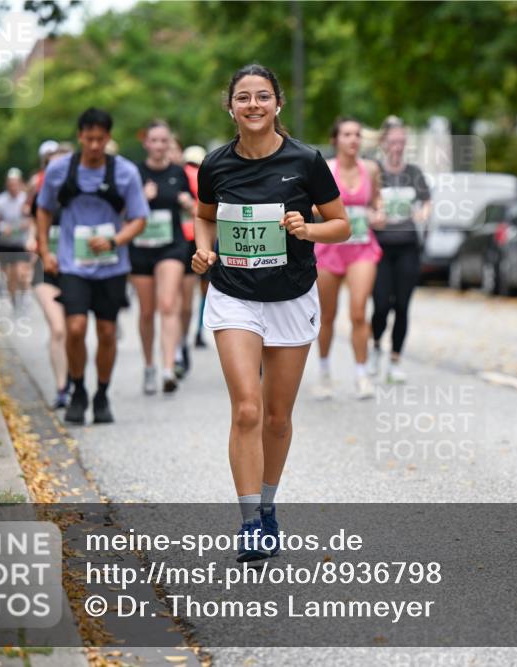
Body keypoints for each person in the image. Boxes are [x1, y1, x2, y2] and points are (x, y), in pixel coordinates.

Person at [192, 64, 349, 561]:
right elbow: (204, 215)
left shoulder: (305, 161)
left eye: (263, 96)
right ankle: (249, 523)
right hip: (233, 293)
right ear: (231, 107)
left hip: (292, 296)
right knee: (247, 409)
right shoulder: (215, 165)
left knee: (277, 417)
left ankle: (268, 506)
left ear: (277, 104)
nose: (253, 105)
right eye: (243, 97)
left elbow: (341, 225)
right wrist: (203, 250)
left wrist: (307, 229)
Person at [36, 107, 149, 425]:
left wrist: (115, 240)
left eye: (101, 139)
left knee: (107, 332)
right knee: (75, 328)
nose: (95, 145)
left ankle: (101, 394)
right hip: (72, 264)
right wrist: (45, 251)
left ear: (108, 138)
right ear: (80, 137)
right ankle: (77, 389)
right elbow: (43, 210)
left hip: (112, 266)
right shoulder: (59, 170)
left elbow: (140, 218)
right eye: (89, 139)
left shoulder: (125, 172)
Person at [313, 117, 384, 400]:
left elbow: (376, 200)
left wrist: (377, 213)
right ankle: (324, 372)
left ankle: (361, 375)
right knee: (327, 315)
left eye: (357, 135)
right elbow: (311, 205)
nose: (353, 139)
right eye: (347, 134)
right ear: (335, 140)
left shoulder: (371, 169)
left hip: (361, 248)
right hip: (329, 249)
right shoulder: (325, 169)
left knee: (358, 312)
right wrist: (332, 214)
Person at [131, 121, 193, 394]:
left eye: (163, 141)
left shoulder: (178, 172)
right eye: (154, 140)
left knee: (168, 304)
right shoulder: (134, 173)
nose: (159, 146)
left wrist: (187, 202)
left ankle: (169, 368)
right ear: (146, 143)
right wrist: (141, 199)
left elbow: (194, 207)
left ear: (170, 144)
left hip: (171, 245)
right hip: (141, 247)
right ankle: (149, 366)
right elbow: (122, 212)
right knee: (147, 311)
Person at [370, 115, 431, 384]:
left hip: (407, 246)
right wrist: (373, 216)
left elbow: (427, 201)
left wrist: (423, 213)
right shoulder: (375, 171)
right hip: (380, 247)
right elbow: (363, 201)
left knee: (403, 305)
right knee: (382, 304)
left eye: (402, 142)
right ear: (383, 143)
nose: (397, 147)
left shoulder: (414, 173)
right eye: (393, 141)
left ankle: (395, 361)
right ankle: (375, 347)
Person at [29, 140, 72, 409]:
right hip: (44, 268)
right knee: (58, 328)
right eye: (51, 167)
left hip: (74, 270)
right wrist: (33, 241)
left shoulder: (81, 197)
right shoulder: (39, 196)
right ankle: (61, 387)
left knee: (72, 330)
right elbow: (33, 225)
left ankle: (73, 376)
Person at [179, 144, 208, 370]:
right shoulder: (204, 174)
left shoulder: (182, 174)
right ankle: (199, 331)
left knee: (184, 296)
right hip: (205, 237)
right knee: (205, 291)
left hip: (184, 238)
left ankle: (183, 340)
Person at [0, 168, 33, 311]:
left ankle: (24, 292)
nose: (13, 187)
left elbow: (32, 219)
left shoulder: (25, 199)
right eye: (10, 184)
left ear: (20, 183)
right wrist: (3, 227)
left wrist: (24, 226)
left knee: (20, 271)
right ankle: (13, 299)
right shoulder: (0, 201)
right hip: (5, 242)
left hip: (20, 242)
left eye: (15, 184)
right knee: (9, 273)